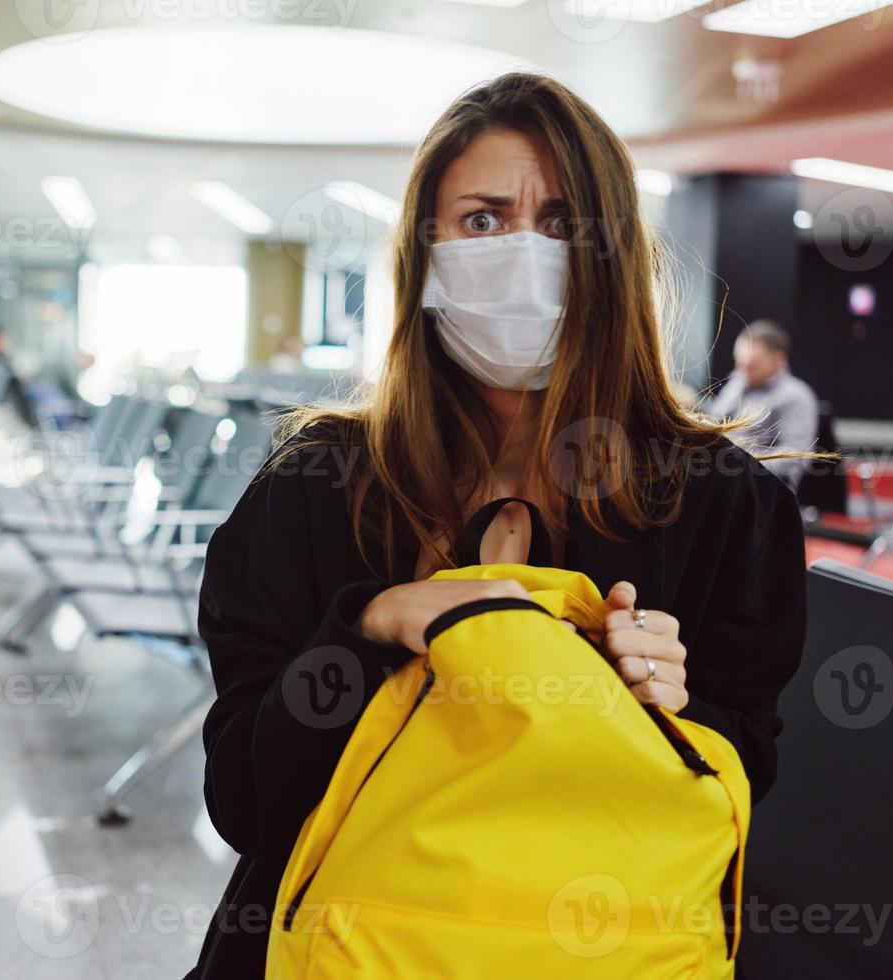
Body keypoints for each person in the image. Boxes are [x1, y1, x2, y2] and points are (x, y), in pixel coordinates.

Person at [186, 73, 811, 979]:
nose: (523, 253)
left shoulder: (721, 504)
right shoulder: (318, 485)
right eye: (482, 219)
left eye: (561, 223)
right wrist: (366, 630)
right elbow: (245, 801)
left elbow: (737, 786)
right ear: (425, 252)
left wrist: (675, 712)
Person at [702, 320, 820, 491]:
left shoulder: (796, 396)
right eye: (739, 363)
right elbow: (716, 419)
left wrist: (733, 462)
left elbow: (795, 458)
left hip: (759, 492)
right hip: (722, 481)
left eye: (752, 366)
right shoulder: (738, 382)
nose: (741, 371)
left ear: (779, 359)